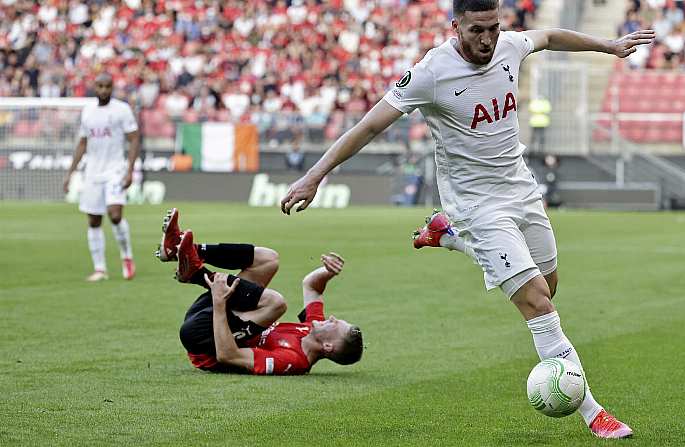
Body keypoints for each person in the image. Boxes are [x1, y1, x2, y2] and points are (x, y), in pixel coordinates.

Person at [280, 0, 654, 438]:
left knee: (548, 287)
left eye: (493, 28)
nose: (487, 39)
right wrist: (314, 176)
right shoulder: (430, 73)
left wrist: (608, 46)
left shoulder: (509, 46)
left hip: (521, 189)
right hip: (476, 205)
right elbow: (368, 126)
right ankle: (594, 413)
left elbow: (550, 37)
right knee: (537, 301)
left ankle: (449, 238)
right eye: (477, 30)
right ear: (456, 26)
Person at [155, 208, 364, 375]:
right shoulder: (309, 328)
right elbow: (312, 285)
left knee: (276, 303)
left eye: (337, 325)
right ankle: (181, 250)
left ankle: (196, 274)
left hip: (203, 340)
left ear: (328, 346)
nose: (333, 318)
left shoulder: (293, 360)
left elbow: (229, 356)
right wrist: (328, 272)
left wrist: (219, 304)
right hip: (217, 313)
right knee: (268, 259)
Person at [63, 73, 140, 282]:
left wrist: (130, 169)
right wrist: (70, 173)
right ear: (94, 87)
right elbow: (82, 143)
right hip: (92, 172)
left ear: (112, 87)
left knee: (115, 215)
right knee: (94, 220)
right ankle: (100, 269)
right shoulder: (88, 111)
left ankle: (127, 257)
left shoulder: (121, 109)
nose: (104, 90)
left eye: (108, 86)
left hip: (115, 169)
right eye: (100, 86)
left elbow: (134, 138)